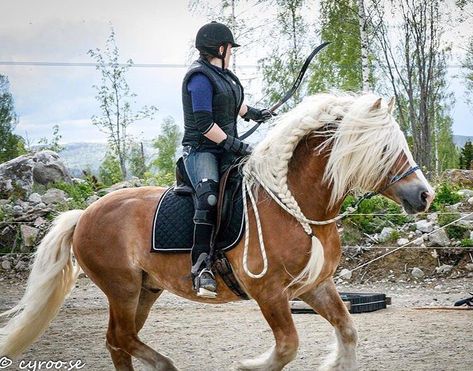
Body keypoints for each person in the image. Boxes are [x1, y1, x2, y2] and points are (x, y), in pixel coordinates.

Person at [181, 21, 273, 298]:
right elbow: (205, 124)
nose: (231, 52)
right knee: (209, 197)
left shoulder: (224, 76)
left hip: (226, 150)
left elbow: (233, 103)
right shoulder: (199, 78)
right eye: (230, 47)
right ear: (221, 48)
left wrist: (255, 113)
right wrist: (235, 144)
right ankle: (201, 267)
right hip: (201, 151)